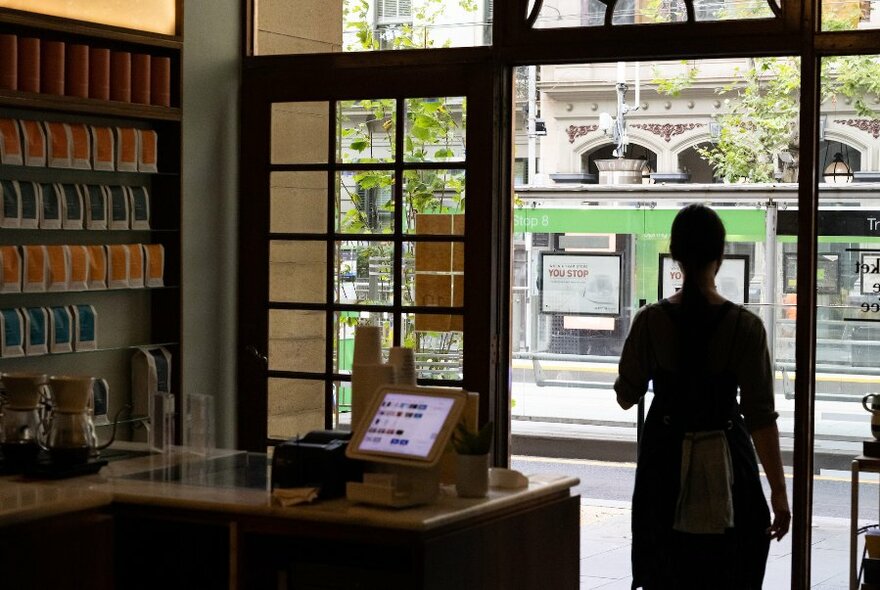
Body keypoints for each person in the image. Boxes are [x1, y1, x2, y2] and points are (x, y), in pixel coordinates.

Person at [614, 203, 790, 590]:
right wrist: (778, 492)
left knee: (666, 571)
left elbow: (626, 395)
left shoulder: (650, 322)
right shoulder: (746, 327)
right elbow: (761, 417)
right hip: (730, 465)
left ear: (675, 255)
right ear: (721, 255)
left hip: (664, 466)